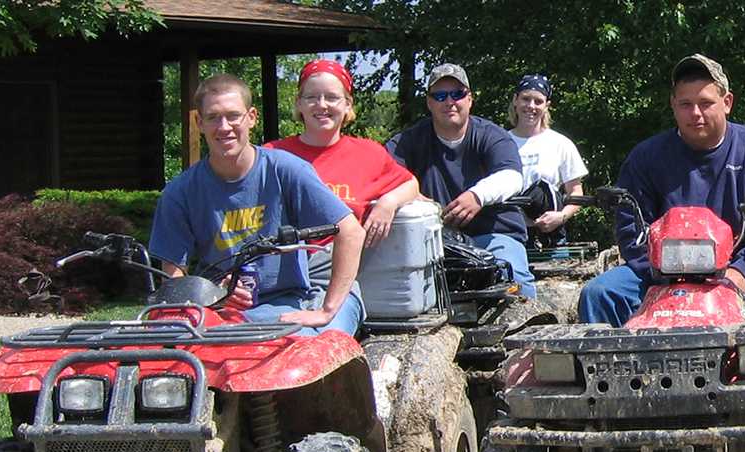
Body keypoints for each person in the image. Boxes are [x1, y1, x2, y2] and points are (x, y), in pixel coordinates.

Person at [576, 54, 745, 327]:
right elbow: (630, 226)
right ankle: (609, 367)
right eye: (685, 104)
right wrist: (658, 274)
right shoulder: (646, 157)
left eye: (706, 103)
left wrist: (743, 270)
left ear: (727, 102)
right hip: (660, 271)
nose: (695, 113)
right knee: (599, 294)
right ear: (673, 105)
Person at [150, 73, 365, 336]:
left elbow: (351, 232)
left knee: (303, 352)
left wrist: (327, 311)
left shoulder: (285, 169)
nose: (224, 126)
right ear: (199, 122)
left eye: (233, 116)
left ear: (251, 117)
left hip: (300, 298)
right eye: (213, 117)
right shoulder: (179, 192)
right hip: (226, 310)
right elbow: (173, 281)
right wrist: (214, 295)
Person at [384, 63, 535, 297]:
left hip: (495, 235)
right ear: (429, 102)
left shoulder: (491, 135)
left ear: (469, 99)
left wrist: (477, 196)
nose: (449, 101)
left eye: (457, 94)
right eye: (440, 95)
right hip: (434, 242)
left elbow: (512, 176)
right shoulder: (409, 140)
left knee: (516, 280)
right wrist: (416, 199)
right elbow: (382, 174)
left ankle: (532, 330)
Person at [264, 60, 420, 250]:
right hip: (284, 266)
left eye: (331, 97)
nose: (321, 105)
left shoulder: (369, 154)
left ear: (347, 104)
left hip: (345, 266)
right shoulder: (271, 155)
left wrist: (388, 203)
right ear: (299, 104)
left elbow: (410, 184)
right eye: (312, 97)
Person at [506, 73, 590, 246]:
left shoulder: (560, 144)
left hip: (551, 236)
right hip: (510, 233)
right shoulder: (500, 142)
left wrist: (561, 217)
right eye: (525, 99)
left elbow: (576, 192)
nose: (531, 106)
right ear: (515, 100)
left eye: (538, 101)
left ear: (547, 106)